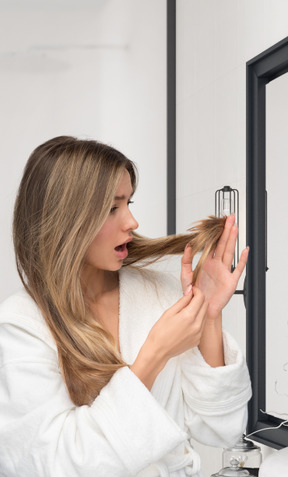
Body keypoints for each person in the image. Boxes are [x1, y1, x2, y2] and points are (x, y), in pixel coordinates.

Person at [0, 136, 251, 477]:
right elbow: (50, 465)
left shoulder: (158, 292)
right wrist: (154, 354)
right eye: (112, 208)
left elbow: (222, 430)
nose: (132, 221)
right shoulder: (22, 323)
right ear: (65, 220)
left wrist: (208, 314)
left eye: (129, 202)